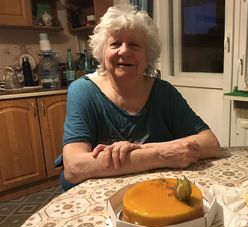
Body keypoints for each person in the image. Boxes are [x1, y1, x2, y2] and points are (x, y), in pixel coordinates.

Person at [56, 4, 221, 192]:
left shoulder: (163, 92)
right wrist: (161, 154)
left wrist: (138, 151)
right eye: (115, 43)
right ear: (102, 52)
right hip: (97, 198)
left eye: (134, 45)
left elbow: (210, 143)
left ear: (148, 55)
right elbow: (74, 167)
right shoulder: (83, 91)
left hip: (154, 193)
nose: (124, 51)